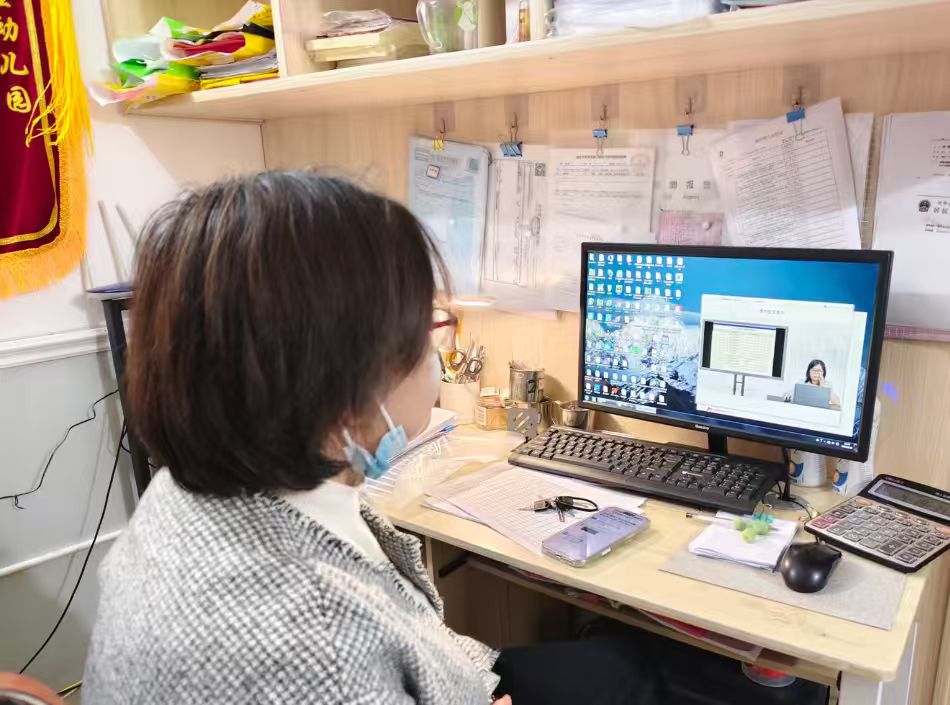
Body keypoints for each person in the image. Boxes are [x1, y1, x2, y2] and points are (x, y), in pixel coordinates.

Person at [82, 172, 656, 705]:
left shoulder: (193, 485)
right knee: (630, 675)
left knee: (620, 666)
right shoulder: (316, 647)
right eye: (424, 328)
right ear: (340, 377)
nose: (433, 354)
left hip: (443, 673)